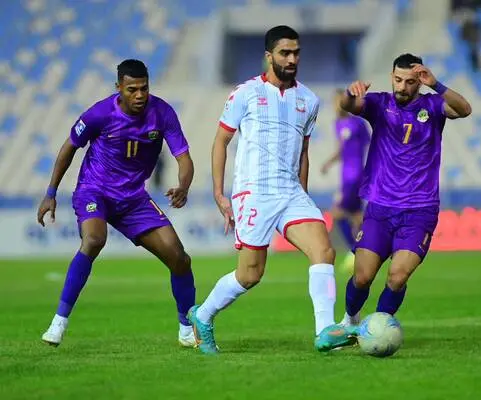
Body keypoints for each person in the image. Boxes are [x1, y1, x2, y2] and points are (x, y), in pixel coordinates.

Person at [187, 26, 354, 354]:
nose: (292, 59)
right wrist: (220, 194)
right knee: (250, 275)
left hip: (291, 192)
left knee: (324, 251)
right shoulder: (244, 94)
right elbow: (221, 142)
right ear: (269, 56)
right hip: (254, 192)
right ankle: (203, 315)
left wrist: (303, 193)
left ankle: (325, 333)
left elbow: (303, 153)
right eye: (285, 53)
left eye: (296, 53)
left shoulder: (309, 100)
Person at [37, 59, 197, 348]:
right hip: (94, 191)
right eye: (132, 89)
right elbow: (68, 148)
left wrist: (183, 186)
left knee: (179, 258)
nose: (139, 95)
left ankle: (187, 330)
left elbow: (183, 158)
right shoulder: (100, 114)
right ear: (119, 88)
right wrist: (51, 193)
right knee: (95, 240)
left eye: (144, 88)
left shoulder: (162, 112)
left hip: (134, 199)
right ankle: (58, 323)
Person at [327, 53, 472, 333]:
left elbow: (464, 109)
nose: (402, 87)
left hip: (420, 210)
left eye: (408, 82)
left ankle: (377, 329)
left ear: (419, 81)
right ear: (391, 76)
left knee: (397, 276)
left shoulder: (433, 105)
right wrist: (348, 93)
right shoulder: (380, 104)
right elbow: (348, 105)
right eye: (397, 80)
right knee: (362, 276)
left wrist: (437, 85)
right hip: (381, 207)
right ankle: (350, 321)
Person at [321, 89, 370, 271]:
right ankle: (366, 251)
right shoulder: (338, 124)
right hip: (345, 175)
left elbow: (369, 145)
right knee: (358, 216)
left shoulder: (357, 123)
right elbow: (342, 150)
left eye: (338, 101)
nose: (336, 106)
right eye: (334, 102)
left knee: (337, 213)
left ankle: (355, 250)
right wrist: (328, 163)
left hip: (355, 174)